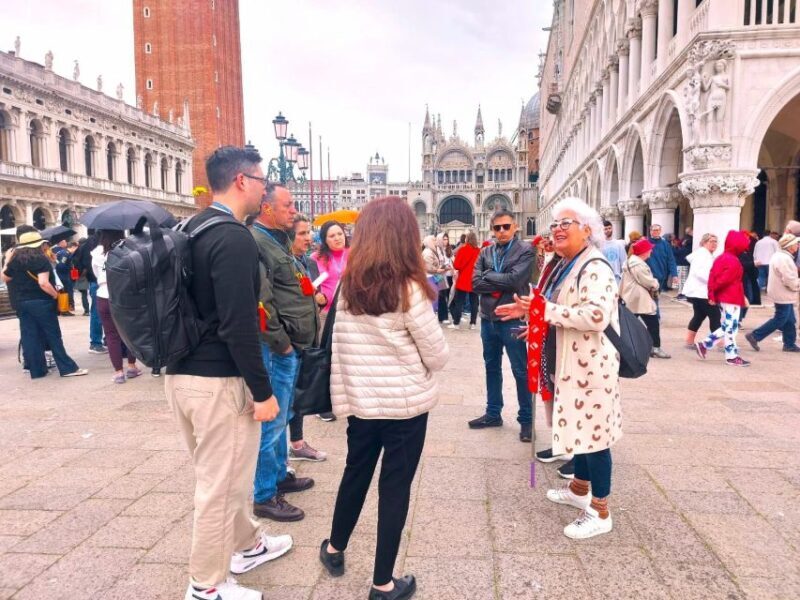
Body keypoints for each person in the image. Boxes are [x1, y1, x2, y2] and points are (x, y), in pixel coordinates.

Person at [165, 146, 292, 600]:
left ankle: (247, 545)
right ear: (242, 181)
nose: (265, 188)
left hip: (180, 376)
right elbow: (239, 324)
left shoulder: (191, 226)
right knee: (219, 487)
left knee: (227, 474)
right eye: (261, 180)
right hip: (218, 381)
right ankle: (205, 586)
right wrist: (263, 392)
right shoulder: (234, 238)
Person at [319, 196, 448, 600]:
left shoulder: (348, 285)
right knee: (395, 486)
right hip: (405, 408)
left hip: (363, 403)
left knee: (355, 472)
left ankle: (335, 548)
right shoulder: (408, 287)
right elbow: (438, 355)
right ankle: (383, 583)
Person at [496, 196, 622, 540]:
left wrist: (544, 311)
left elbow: (596, 315)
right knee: (580, 430)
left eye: (566, 223)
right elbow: (557, 306)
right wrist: (533, 318)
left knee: (595, 437)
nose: (557, 229)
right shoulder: (567, 263)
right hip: (568, 361)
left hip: (590, 367)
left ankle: (600, 510)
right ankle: (580, 488)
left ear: (587, 229)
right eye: (555, 223)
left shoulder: (594, 265)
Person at [251, 184, 318, 523]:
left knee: (282, 415)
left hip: (287, 347)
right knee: (272, 422)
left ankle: (278, 476)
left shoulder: (276, 241)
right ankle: (263, 494)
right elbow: (261, 301)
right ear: (266, 208)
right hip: (277, 348)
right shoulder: (258, 242)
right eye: (288, 205)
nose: (294, 211)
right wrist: (282, 342)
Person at [468, 209, 535, 442]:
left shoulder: (525, 250)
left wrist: (489, 275)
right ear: (492, 229)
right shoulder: (486, 251)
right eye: (497, 228)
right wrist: (500, 280)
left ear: (515, 226)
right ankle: (493, 413)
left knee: (520, 370)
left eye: (506, 226)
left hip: (512, 320)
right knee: (491, 367)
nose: (502, 231)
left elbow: (516, 280)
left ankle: (526, 421)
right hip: (488, 319)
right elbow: (474, 283)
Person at [1, 231, 88, 380]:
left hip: (21, 303)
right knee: (53, 335)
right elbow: (43, 283)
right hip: (41, 302)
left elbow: (5, 278)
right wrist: (55, 295)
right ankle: (67, 368)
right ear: (39, 244)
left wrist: (8, 260)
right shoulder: (40, 259)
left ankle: (37, 370)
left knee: (30, 336)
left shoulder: (15, 260)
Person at [288, 213, 329, 462]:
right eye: (302, 233)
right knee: (287, 397)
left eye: (309, 232)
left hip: (306, 336)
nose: (309, 237)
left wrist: (318, 298)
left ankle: (298, 442)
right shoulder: (285, 262)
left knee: (299, 393)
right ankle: (285, 453)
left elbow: (313, 290)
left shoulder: (306, 262)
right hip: (289, 340)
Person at [91, 230, 142, 384]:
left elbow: (96, 272)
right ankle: (132, 366)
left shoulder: (97, 252)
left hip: (103, 293)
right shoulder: (126, 249)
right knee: (129, 332)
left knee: (111, 334)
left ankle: (118, 372)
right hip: (123, 293)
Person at [695, 230, 752, 367]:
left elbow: (713, 278)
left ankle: (706, 344)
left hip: (727, 297)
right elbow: (723, 281)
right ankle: (731, 356)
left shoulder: (722, 257)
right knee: (731, 327)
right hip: (730, 297)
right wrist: (713, 294)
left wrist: (712, 294)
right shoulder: (732, 260)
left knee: (729, 325)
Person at [745, 234, 800, 353]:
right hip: (783, 293)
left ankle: (789, 343)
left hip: (781, 292)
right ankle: (755, 335)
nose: (798, 245)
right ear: (790, 246)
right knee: (781, 318)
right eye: (796, 243)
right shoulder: (784, 258)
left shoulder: (781, 256)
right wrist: (797, 285)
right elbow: (789, 279)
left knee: (789, 319)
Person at [621, 239, 671, 358]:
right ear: (644, 251)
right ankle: (655, 348)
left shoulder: (630, 262)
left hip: (631, 297)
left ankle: (626, 347)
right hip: (640, 298)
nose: (651, 250)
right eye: (649, 249)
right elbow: (648, 282)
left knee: (628, 325)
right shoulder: (638, 264)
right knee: (653, 322)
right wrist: (656, 283)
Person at [683, 234, 721, 348]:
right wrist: (715, 283)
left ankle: (689, 341)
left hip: (698, 292)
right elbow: (701, 274)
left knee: (699, 316)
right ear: (704, 242)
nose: (714, 243)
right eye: (711, 241)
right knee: (715, 316)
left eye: (716, 241)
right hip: (703, 292)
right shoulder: (703, 255)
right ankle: (721, 344)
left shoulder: (703, 254)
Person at [73, 229, 106, 354]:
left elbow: (75, 261)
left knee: (97, 312)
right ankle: (99, 342)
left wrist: (78, 276)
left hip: (93, 281)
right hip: (105, 281)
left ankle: (96, 342)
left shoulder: (86, 244)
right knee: (105, 313)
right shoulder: (106, 243)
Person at [312, 220, 349, 314]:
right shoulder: (315, 258)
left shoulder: (355, 254)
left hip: (350, 312)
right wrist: (316, 295)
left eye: (340, 234)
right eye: (332, 236)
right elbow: (305, 281)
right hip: (325, 312)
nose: (337, 238)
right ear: (325, 240)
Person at [449, 231, 480, 329]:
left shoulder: (462, 250)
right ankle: (473, 323)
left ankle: (456, 323)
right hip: (474, 279)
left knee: (459, 302)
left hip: (463, 280)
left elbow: (456, 265)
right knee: (474, 302)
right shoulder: (479, 251)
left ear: (467, 239)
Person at [646, 224, 678, 292]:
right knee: (651, 298)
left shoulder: (665, 244)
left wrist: (674, 274)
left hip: (661, 276)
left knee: (656, 297)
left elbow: (671, 260)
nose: (656, 232)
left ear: (660, 231)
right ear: (650, 231)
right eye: (654, 230)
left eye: (658, 230)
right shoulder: (645, 243)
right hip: (648, 276)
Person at [421, 235, 445, 314]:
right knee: (434, 296)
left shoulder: (433, 250)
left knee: (440, 295)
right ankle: (433, 312)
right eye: (434, 240)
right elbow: (428, 267)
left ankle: (438, 312)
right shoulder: (428, 252)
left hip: (437, 275)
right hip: (432, 276)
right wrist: (438, 270)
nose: (435, 242)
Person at [435, 232, 454, 323]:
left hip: (449, 275)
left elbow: (453, 260)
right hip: (440, 275)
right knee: (442, 295)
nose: (445, 241)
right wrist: (445, 267)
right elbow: (437, 264)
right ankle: (443, 317)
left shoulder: (449, 249)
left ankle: (450, 314)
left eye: (446, 239)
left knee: (450, 294)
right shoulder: (437, 250)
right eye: (443, 239)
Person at [54, 239, 76, 315]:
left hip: (62, 275)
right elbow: (61, 265)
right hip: (64, 275)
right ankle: (64, 310)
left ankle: (61, 309)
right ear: (73, 247)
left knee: (62, 292)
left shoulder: (62, 252)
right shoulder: (66, 254)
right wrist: (69, 269)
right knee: (65, 292)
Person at [74, 237, 90, 315]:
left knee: (84, 293)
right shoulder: (87, 249)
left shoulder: (76, 251)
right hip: (86, 273)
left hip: (80, 274)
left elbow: (73, 263)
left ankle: (86, 310)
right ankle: (88, 310)